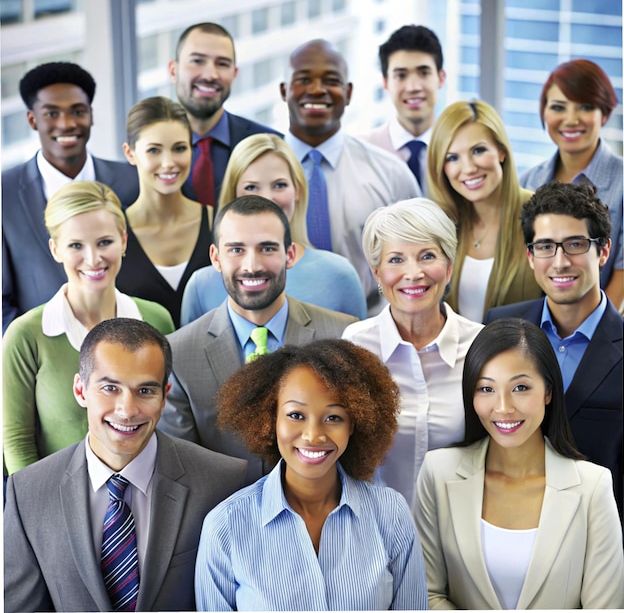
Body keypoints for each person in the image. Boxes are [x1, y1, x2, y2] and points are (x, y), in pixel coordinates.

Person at [4, 317, 247, 612]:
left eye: (145, 391)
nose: (127, 410)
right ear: (81, 391)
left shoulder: (223, 482)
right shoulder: (27, 492)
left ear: (164, 395)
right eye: (110, 388)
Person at [195, 338, 428, 611]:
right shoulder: (225, 527)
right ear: (271, 419)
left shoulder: (390, 513)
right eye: (296, 415)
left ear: (355, 424)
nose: (313, 436)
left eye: (333, 418)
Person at [415, 318, 624, 609]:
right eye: (486, 389)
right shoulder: (438, 473)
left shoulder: (593, 487)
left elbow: (605, 607)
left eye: (521, 388)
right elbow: (426, 594)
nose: (503, 408)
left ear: (548, 392)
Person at [158, 196, 358, 484]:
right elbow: (183, 471)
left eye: (267, 248)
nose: (251, 265)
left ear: (290, 255)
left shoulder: (343, 335)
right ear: (216, 257)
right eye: (236, 250)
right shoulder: (179, 352)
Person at [3, 181, 174, 475]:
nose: (93, 259)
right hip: (56, 504)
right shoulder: (25, 335)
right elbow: (17, 442)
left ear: (123, 240)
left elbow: (168, 419)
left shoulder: (157, 320)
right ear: (55, 249)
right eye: (76, 246)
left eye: (104, 242)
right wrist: (36, 510)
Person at [484, 181, 624, 524]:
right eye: (546, 246)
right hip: (503, 522)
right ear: (531, 256)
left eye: (575, 244)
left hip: (597, 534)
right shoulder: (498, 325)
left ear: (603, 251)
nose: (560, 262)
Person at [343, 198, 483, 505]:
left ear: (449, 267)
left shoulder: (480, 346)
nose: (413, 273)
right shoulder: (355, 345)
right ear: (377, 273)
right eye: (396, 260)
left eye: (427, 256)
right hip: (376, 532)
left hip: (460, 528)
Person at [280, 38, 421, 316]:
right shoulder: (253, 176)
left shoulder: (390, 173)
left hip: (371, 330)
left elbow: (421, 259)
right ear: (284, 90)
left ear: (348, 92)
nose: (317, 89)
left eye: (330, 80)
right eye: (304, 79)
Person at [2, 61, 139, 332]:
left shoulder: (131, 181)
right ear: (33, 119)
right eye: (52, 113)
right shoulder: (4, 195)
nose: (67, 124)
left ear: (91, 114)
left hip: (128, 339)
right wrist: (34, 354)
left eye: (78, 111)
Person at [181, 133, 367, 324]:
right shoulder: (201, 287)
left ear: (298, 191)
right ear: (233, 195)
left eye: (279, 185)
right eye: (251, 187)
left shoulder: (339, 275)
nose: (267, 199)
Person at [520, 59, 623, 310]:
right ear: (544, 112)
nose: (571, 119)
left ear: (605, 113)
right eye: (558, 107)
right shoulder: (528, 182)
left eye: (585, 107)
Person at [428, 99, 542, 322]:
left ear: (501, 151)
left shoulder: (541, 216)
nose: (469, 168)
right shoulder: (442, 226)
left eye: (478, 150)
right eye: (452, 158)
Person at [116, 96, 212, 327]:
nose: (168, 162)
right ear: (130, 153)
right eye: (154, 151)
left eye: (179, 148)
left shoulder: (219, 222)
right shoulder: (112, 232)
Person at [168, 22, 281, 209]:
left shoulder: (271, 146)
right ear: (173, 70)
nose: (211, 74)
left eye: (222, 64)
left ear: (234, 74)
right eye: (197, 61)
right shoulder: (146, 150)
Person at [360, 24, 446, 196]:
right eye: (401, 75)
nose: (413, 87)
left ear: (440, 78)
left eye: (423, 73)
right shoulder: (362, 153)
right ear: (385, 83)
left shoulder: (459, 150)